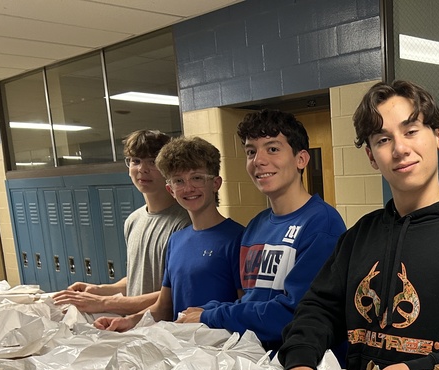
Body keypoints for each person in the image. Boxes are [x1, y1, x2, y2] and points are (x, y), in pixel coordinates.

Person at [276, 80, 439, 370]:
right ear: (370, 157)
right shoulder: (359, 237)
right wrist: (300, 359)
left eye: (411, 131)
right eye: (383, 139)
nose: (400, 149)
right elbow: (319, 308)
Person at [175, 109, 345, 351]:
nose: (259, 160)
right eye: (251, 152)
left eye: (272, 149)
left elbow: (294, 314)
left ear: (301, 159)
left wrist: (211, 316)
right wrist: (208, 309)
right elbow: (252, 300)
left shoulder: (322, 224)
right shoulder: (255, 226)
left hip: (304, 368)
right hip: (258, 359)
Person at [92, 136, 243, 332]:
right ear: (170, 190)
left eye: (197, 178)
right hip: (181, 350)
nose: (188, 188)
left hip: (221, 353)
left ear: (215, 183)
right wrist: (128, 321)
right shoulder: (177, 240)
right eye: (179, 181)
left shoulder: (239, 239)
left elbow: (244, 308)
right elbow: (163, 307)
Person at [53, 130, 190, 314]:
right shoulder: (134, 220)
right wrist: (98, 290)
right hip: (134, 328)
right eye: (135, 161)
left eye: (152, 161)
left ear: (169, 168)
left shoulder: (184, 223)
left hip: (166, 333)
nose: (142, 169)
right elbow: (139, 279)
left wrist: (104, 302)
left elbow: (174, 295)